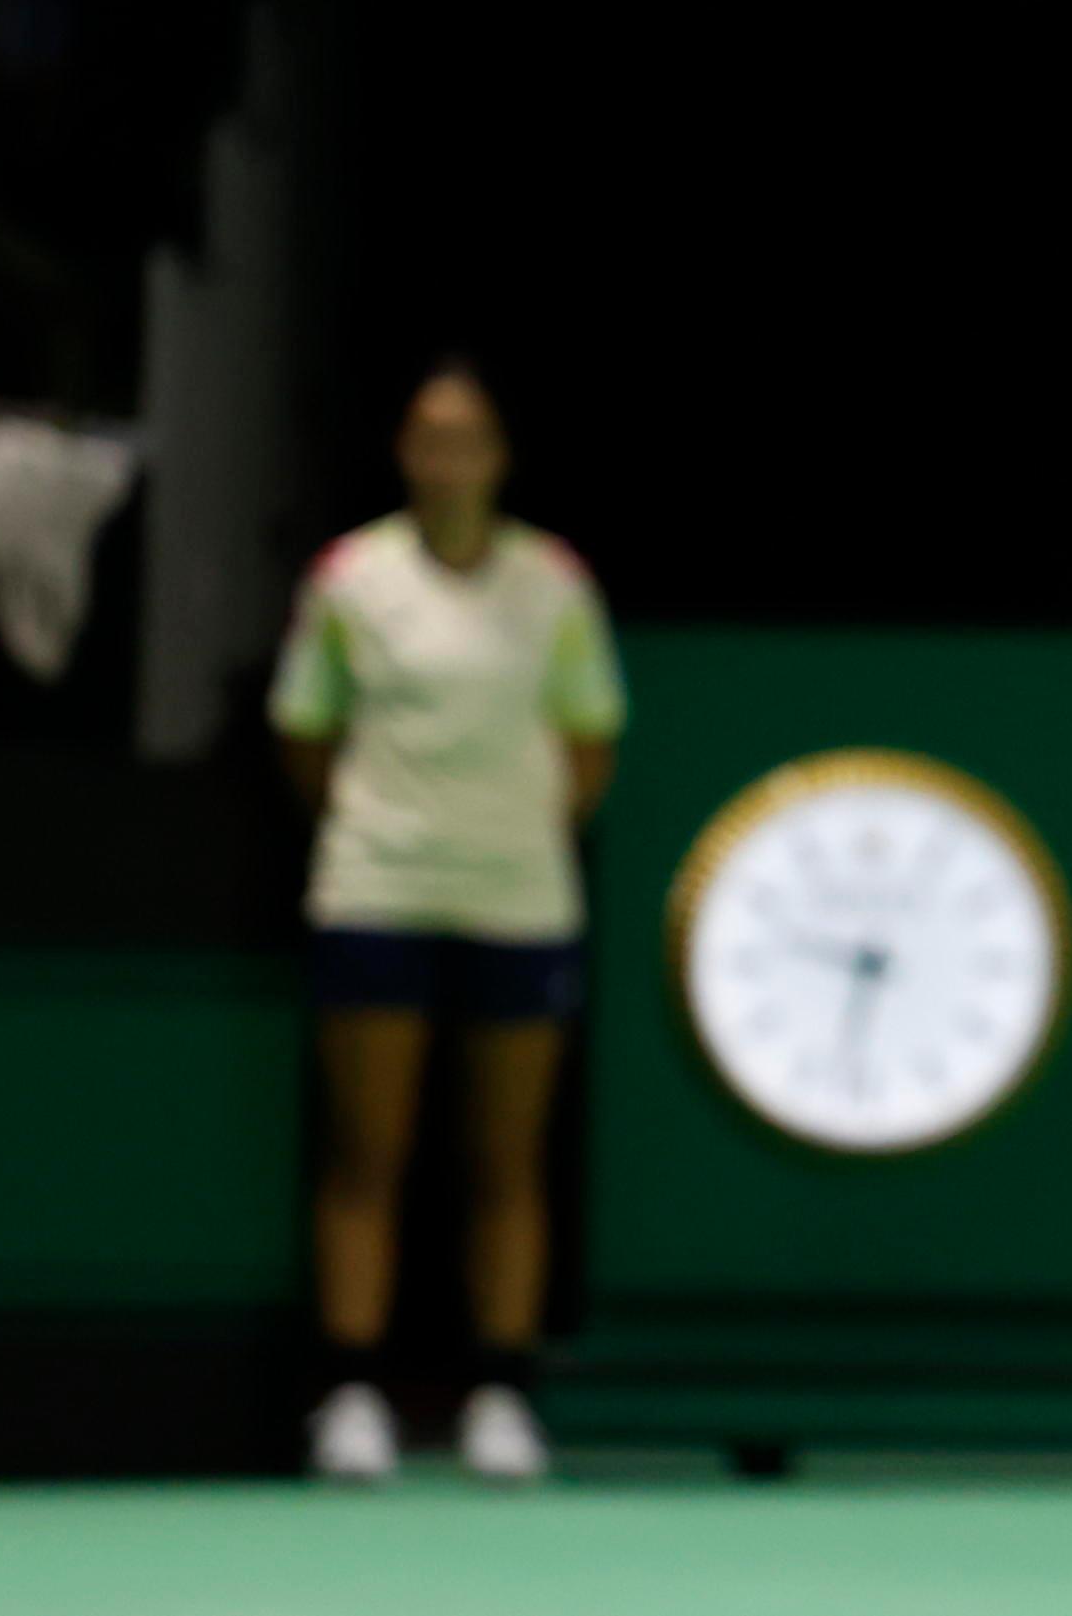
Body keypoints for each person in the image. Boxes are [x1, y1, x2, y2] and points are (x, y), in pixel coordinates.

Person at [270, 359, 625, 1483]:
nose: (447, 458)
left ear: (497, 458)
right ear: (405, 455)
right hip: (374, 891)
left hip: (520, 900)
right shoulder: (348, 578)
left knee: (506, 1164)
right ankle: (351, 1397)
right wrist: (393, 830)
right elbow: (306, 734)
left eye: (467, 437)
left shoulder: (554, 585)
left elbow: (589, 745)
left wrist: (504, 835)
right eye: (428, 437)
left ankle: (501, 1399)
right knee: (366, 1156)